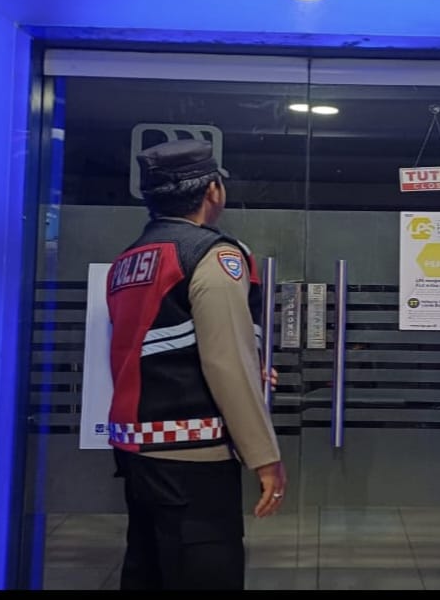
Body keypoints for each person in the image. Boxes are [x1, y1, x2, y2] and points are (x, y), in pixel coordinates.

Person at [105, 138, 286, 590]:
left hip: (137, 451)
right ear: (212, 191)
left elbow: (154, 346)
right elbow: (227, 364)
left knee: (148, 573)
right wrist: (265, 457)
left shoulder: (129, 259)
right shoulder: (212, 255)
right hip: (193, 457)